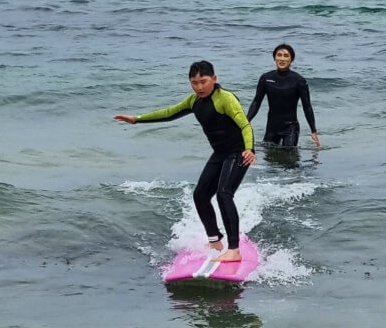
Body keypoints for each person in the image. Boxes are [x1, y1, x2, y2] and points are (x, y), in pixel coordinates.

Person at [115, 61, 255, 263]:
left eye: (203, 82)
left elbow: (245, 125)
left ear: (214, 79)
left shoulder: (225, 98)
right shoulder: (194, 101)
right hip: (220, 152)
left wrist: (249, 149)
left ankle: (234, 250)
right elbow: (168, 113)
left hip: (239, 152)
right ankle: (215, 240)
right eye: (194, 82)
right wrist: (136, 119)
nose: (199, 87)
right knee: (200, 195)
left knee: (224, 193)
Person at [246, 43, 321, 151]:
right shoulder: (266, 78)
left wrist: (313, 130)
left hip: (290, 128)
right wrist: (246, 122)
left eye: (286, 56)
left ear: (291, 60)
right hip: (271, 128)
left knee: (289, 160)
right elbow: (256, 102)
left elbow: (307, 106)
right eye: (279, 55)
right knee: (270, 161)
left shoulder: (299, 81)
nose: (282, 58)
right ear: (274, 58)